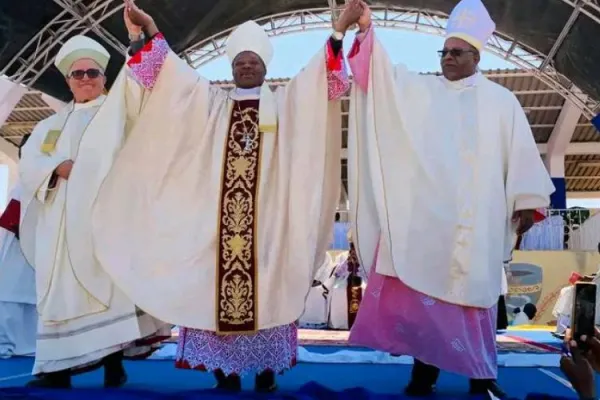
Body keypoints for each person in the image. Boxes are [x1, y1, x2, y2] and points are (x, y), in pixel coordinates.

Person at [80, 0, 359, 392]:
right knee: (211, 292)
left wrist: (339, 30)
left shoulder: (283, 104)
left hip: (265, 228)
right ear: (231, 69)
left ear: (265, 66)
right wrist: (153, 31)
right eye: (239, 63)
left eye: (252, 62)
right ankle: (224, 375)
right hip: (218, 232)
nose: (245, 67)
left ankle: (265, 374)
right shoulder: (211, 106)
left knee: (268, 290)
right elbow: (174, 84)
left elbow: (319, 83)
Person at [344, 0, 555, 397]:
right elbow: (385, 81)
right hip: (432, 224)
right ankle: (424, 374)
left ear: (476, 56)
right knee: (429, 300)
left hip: (480, 227)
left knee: (475, 299)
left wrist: (527, 203)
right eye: (444, 52)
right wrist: (366, 31)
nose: (448, 59)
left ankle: (481, 376)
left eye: (457, 53)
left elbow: (524, 158)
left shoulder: (501, 102)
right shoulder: (423, 92)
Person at [18, 35, 170, 389]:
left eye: (92, 73)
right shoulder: (50, 125)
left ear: (104, 78)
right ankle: (56, 371)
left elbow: (146, 116)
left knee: (109, 290)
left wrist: (137, 43)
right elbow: (29, 163)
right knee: (60, 297)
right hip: (60, 233)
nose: (85, 79)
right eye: (77, 74)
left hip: (105, 224)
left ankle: (113, 364)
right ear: (68, 81)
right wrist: (56, 166)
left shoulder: (118, 113)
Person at [0, 135, 37, 359]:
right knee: (12, 294)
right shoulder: (25, 181)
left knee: (24, 295)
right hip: (18, 246)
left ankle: (21, 343)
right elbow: (11, 220)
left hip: (32, 247)